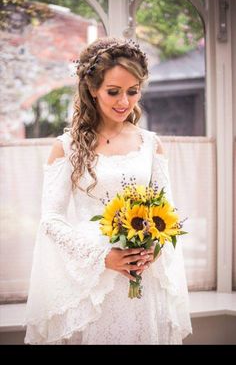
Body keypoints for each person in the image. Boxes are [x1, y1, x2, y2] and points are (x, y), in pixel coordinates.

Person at [24, 37, 192, 345]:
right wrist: (103, 257)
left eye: (133, 91)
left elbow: (167, 212)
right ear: (92, 89)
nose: (124, 102)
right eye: (113, 92)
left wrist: (152, 251)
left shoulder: (151, 145)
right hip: (91, 278)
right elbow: (51, 219)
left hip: (144, 280)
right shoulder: (66, 148)